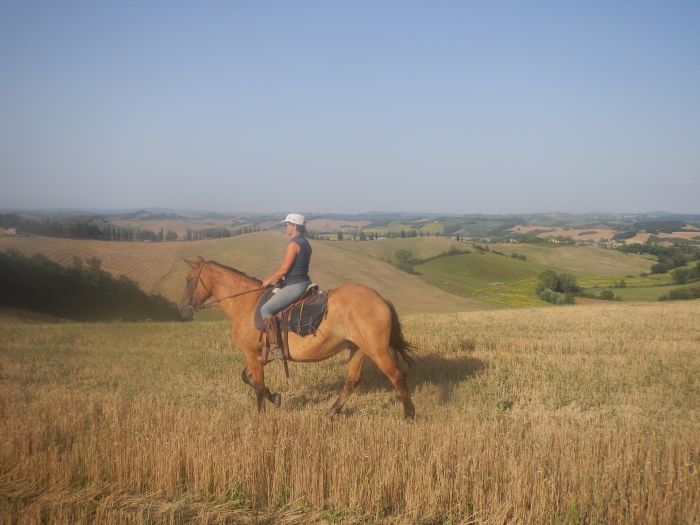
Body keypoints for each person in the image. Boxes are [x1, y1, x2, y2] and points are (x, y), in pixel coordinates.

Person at [259, 213, 312, 361]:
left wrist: (269, 280)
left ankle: (275, 349)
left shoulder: (294, 244)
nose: (285, 227)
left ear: (294, 225)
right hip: (305, 282)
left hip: (295, 285)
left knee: (266, 309)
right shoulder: (305, 242)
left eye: (287, 224)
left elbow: (284, 269)